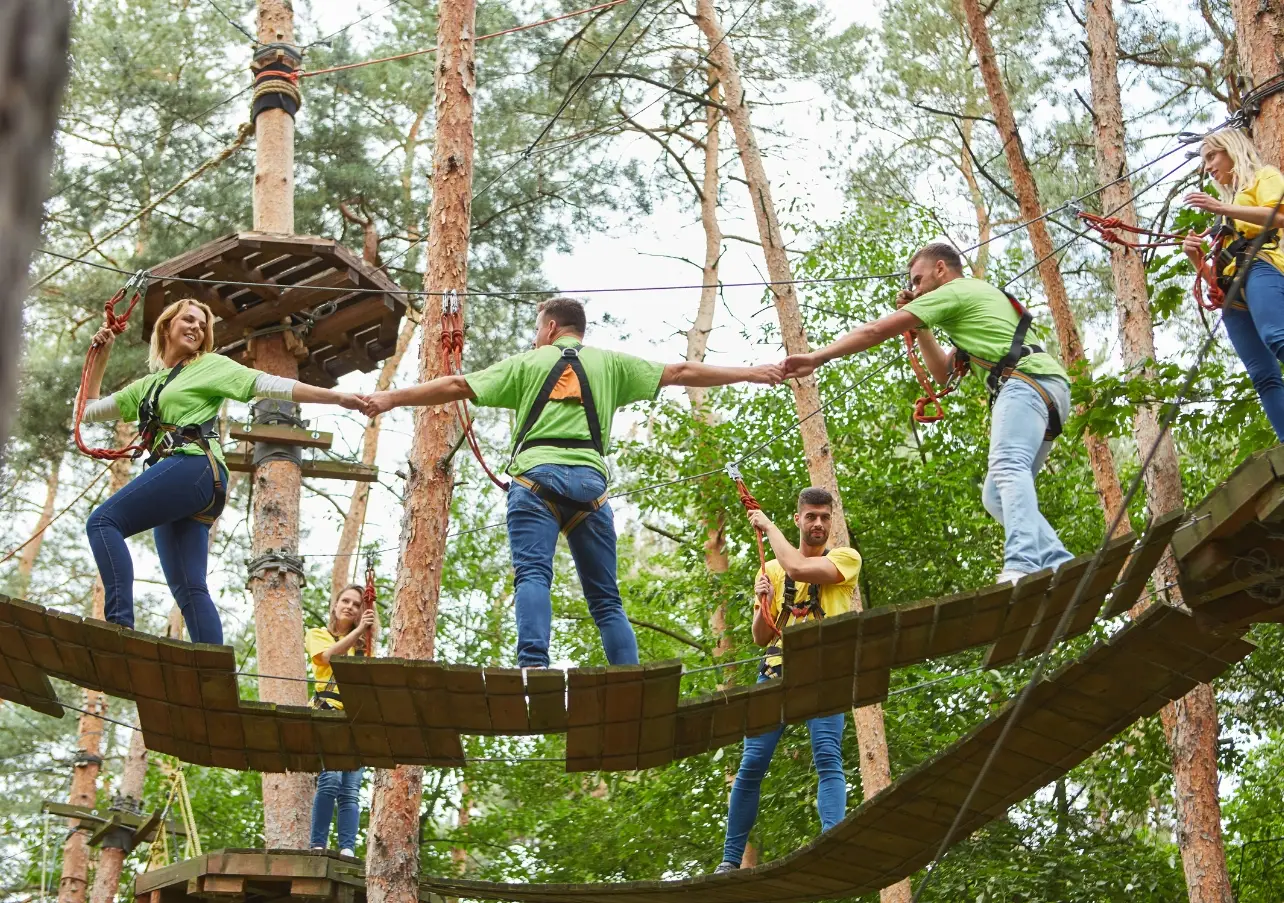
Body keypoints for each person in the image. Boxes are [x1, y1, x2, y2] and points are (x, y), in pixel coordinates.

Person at [363, 296, 782, 668]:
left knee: (532, 575)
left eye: (536, 330)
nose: (534, 339)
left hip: (535, 481)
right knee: (606, 599)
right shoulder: (612, 363)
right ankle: (629, 678)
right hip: (591, 490)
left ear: (549, 327)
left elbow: (456, 384)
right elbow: (681, 371)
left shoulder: (527, 363)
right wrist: (750, 372)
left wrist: (389, 398)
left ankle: (533, 668)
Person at [79, 297, 367, 644]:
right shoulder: (146, 387)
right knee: (189, 588)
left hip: (193, 466)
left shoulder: (209, 366)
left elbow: (268, 384)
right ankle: (213, 676)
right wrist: (102, 355)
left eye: (202, 326)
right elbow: (88, 411)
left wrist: (336, 398)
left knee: (102, 522)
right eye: (188, 320)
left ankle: (119, 626)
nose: (196, 329)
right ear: (167, 326)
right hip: (188, 481)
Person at [778, 243, 1072, 582]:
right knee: (995, 494)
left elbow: (876, 330)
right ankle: (1056, 560)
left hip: (1025, 384)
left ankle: (1021, 562)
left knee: (1007, 466)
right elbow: (944, 374)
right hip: (1044, 389)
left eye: (918, 281)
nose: (915, 290)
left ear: (941, 269)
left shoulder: (957, 289)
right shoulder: (974, 303)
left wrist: (818, 357)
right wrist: (924, 331)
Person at [714, 487, 858, 874]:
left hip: (825, 673)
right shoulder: (771, 571)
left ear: (832, 521)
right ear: (799, 519)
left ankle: (832, 843)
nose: (818, 524)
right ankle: (730, 859)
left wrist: (767, 525)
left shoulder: (846, 559)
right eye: (811, 516)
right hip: (777, 669)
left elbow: (799, 570)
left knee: (827, 755)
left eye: (825, 517)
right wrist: (762, 602)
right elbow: (762, 637)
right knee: (752, 763)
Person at [1183, 129, 1284, 440]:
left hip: (1261, 267)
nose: (1208, 166)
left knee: (1277, 336)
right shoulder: (1223, 216)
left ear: (1231, 150)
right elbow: (1214, 282)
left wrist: (1222, 209)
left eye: (1212, 156)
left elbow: (1278, 214)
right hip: (1232, 293)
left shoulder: (1263, 177)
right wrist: (1197, 259)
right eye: (1204, 161)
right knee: (1262, 376)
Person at [306, 583, 377, 857]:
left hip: (355, 719)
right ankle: (317, 844)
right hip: (327, 713)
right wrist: (359, 631)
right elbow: (326, 657)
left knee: (350, 790)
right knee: (330, 780)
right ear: (335, 606)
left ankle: (347, 848)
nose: (349, 606)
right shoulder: (317, 634)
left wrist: (364, 634)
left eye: (356, 604)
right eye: (345, 601)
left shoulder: (363, 648)